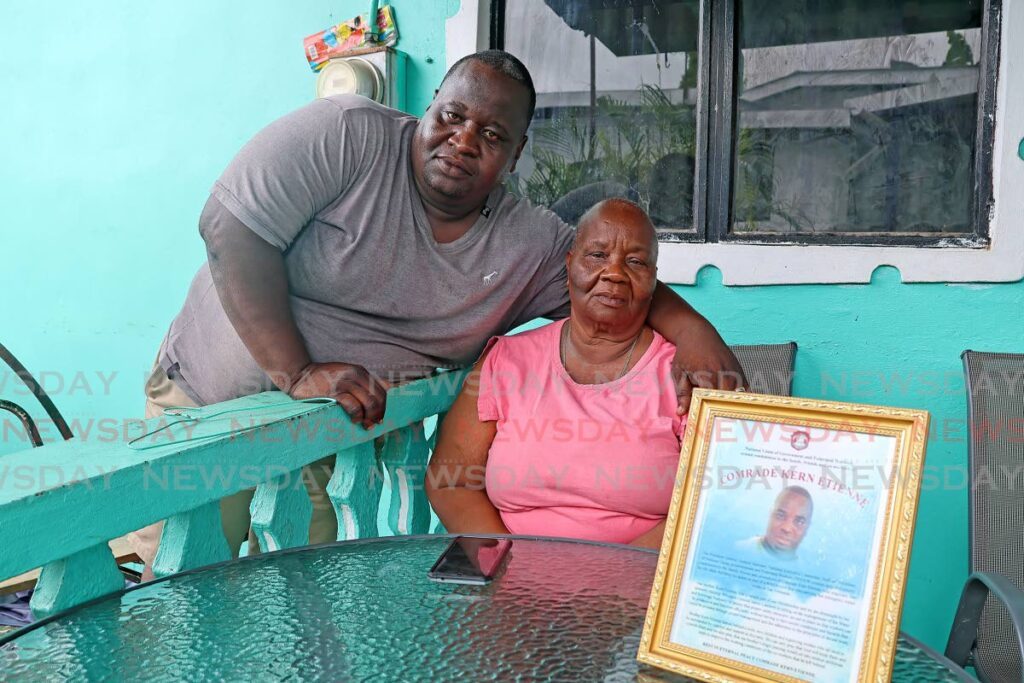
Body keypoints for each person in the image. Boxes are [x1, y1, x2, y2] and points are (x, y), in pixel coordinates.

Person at [129, 50, 745, 571]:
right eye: (451, 116)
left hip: (327, 441)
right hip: (209, 412)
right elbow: (230, 227)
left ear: (516, 153)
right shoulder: (346, 133)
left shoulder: (526, 243)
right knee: (164, 595)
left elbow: (613, 278)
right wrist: (296, 373)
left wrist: (696, 335)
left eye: (493, 134)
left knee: (296, 603)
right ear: (428, 110)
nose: (464, 141)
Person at [425, 199, 684, 548]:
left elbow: (712, 506)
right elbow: (450, 479)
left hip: (639, 584)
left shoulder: (681, 375)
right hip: (514, 581)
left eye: (635, 261)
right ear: (569, 264)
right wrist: (507, 565)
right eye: (597, 256)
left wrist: (613, 582)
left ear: (653, 280)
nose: (614, 273)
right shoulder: (508, 360)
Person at [736, 486, 814, 560]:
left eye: (799, 522)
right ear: (770, 514)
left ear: (807, 528)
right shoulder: (739, 550)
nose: (787, 528)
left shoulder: (806, 569)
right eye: (780, 515)